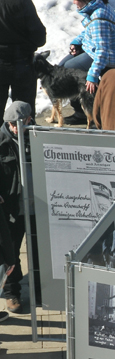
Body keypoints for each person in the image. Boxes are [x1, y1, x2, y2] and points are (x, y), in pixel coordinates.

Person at [59, 0, 115, 126]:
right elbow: (89, 31)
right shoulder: (96, 7)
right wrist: (77, 42)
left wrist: (92, 75)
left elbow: (102, 51)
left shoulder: (99, 18)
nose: (73, 2)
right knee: (60, 68)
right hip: (91, 49)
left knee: (68, 71)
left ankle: (86, 113)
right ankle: (81, 110)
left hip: (106, 57)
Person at [0, 101, 34, 313]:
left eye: (18, 123)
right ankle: (12, 294)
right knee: (11, 252)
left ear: (29, 120)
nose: (14, 127)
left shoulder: (39, 136)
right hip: (11, 207)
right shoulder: (1, 141)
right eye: (11, 123)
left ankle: (41, 290)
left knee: (40, 251)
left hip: (35, 205)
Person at [0, 0, 46, 117]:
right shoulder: (22, 2)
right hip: (22, 63)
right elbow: (39, 37)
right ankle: (23, 135)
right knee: (24, 112)